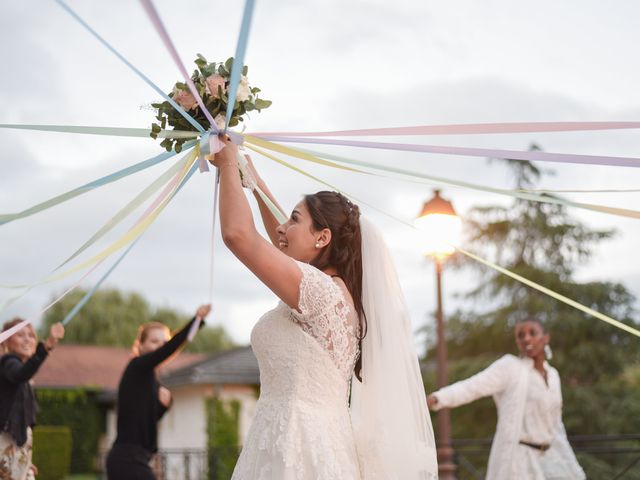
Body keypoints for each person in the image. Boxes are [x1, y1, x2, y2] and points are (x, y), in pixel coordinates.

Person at [211, 137, 438, 479]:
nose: (281, 229)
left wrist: (228, 164)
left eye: (294, 220)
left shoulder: (319, 291)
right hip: (299, 441)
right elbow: (280, 239)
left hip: (299, 449)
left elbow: (239, 236)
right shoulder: (326, 289)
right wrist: (251, 180)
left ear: (322, 238)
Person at [427, 317, 585, 480]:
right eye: (520, 335)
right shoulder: (511, 367)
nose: (526, 338)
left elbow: (556, 423)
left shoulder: (553, 375)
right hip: (519, 461)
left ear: (545, 338)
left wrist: (564, 456)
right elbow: (473, 386)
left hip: (550, 458)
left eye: (532, 333)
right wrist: (438, 398)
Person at [105, 305, 211, 480]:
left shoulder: (150, 381)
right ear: (140, 345)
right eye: (154, 341)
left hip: (135, 460)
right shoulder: (137, 366)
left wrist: (163, 407)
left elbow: (146, 420)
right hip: (127, 460)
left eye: (163, 341)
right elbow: (168, 350)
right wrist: (197, 320)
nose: (160, 346)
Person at [0, 319, 65, 480]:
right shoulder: (8, 363)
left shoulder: (23, 378)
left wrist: (25, 459)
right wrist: (47, 346)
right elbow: (21, 373)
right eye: (20, 335)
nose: (27, 339)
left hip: (18, 453)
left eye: (31, 335)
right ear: (6, 341)